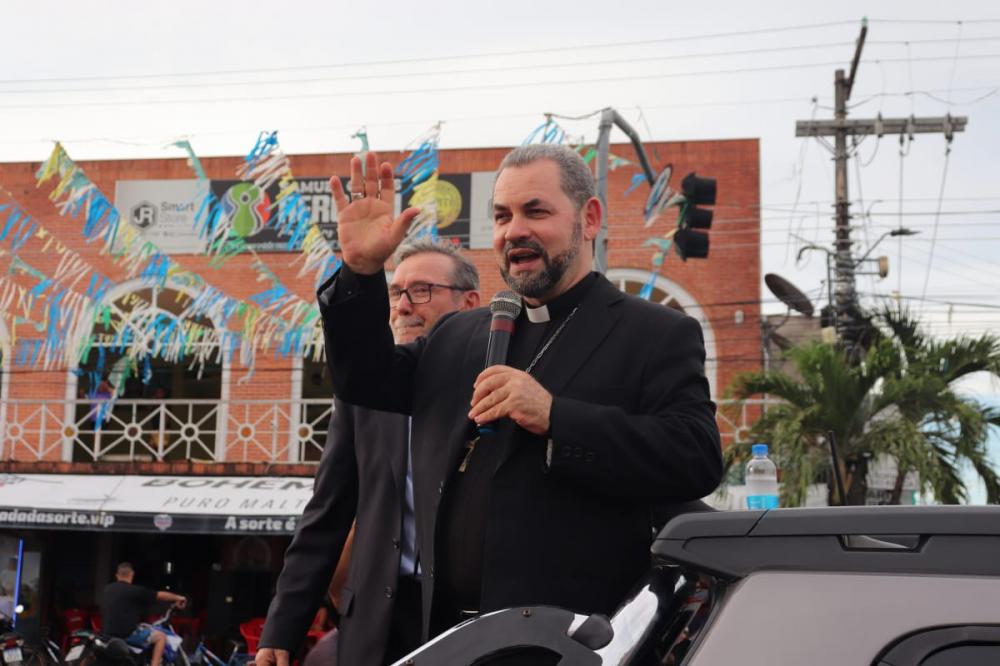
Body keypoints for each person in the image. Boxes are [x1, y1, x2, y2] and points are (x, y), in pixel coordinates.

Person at [319, 145, 723, 647]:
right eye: (502, 216)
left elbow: (697, 456)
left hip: (575, 645)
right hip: (448, 641)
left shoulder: (655, 333)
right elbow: (363, 379)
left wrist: (557, 417)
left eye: (536, 211)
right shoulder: (456, 335)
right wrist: (359, 273)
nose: (515, 231)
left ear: (589, 218)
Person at [257, 241, 481, 666]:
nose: (402, 306)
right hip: (377, 623)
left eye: (422, 290)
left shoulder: (495, 380)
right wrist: (282, 628)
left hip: (466, 615)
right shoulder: (361, 397)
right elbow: (326, 514)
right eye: (396, 292)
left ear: (469, 302)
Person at [99, 562, 186, 666]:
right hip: (127, 635)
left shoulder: (107, 589)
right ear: (132, 574)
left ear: (117, 575)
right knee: (161, 637)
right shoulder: (136, 591)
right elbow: (159, 595)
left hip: (107, 635)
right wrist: (179, 598)